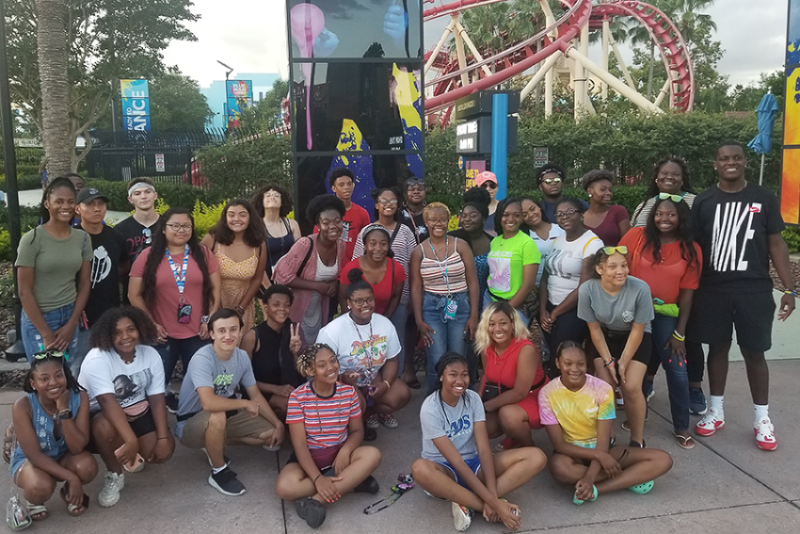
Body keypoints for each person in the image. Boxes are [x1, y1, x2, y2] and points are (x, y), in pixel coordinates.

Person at [687, 140, 796, 451]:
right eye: (724, 158)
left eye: (736, 157)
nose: (730, 162)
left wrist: (788, 288)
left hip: (754, 289)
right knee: (717, 349)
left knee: (754, 353)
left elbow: (777, 244)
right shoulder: (704, 201)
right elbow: (693, 248)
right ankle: (715, 410)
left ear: (745, 161)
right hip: (713, 289)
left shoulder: (763, 198)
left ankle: (762, 418)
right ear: (715, 165)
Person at [411, 353, 547, 532]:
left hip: (475, 465)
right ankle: (484, 505)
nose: (460, 380)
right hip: (445, 470)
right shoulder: (430, 408)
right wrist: (495, 504)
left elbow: (483, 449)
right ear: (441, 376)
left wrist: (491, 495)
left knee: (537, 456)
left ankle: (468, 502)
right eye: (453, 374)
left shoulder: (473, 398)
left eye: (465, 374)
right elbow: (456, 462)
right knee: (420, 469)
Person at [540, 342, 672, 504]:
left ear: (587, 364)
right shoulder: (547, 393)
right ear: (557, 363)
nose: (574, 369)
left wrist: (589, 478)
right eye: (567, 363)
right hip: (572, 453)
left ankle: (596, 490)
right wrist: (600, 457)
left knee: (663, 459)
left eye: (580, 364)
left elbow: (603, 440)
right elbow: (559, 445)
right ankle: (628, 477)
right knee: (559, 468)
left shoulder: (602, 389)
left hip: (604, 449)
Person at [619, 196, 702, 449]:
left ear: (681, 218)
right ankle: (637, 414)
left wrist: (680, 333)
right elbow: (613, 259)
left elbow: (688, 294)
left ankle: (680, 426)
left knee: (677, 370)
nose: (664, 219)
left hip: (667, 315)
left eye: (671, 215)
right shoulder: (637, 236)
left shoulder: (691, 248)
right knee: (638, 365)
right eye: (659, 214)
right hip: (634, 314)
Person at [174, 309, 285, 495]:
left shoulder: (241, 357)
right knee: (216, 415)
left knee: (271, 435)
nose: (228, 335)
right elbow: (208, 403)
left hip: (226, 417)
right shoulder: (202, 358)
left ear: (241, 331)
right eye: (222, 330)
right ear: (212, 334)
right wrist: (244, 404)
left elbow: (255, 394)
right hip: (191, 423)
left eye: (233, 329)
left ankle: (213, 444)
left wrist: (278, 423)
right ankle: (219, 472)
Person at [275, 343, 382, 529]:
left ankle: (314, 501)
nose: (331, 367)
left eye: (333, 361)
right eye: (322, 365)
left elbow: (357, 431)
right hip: (308, 458)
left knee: (373, 454)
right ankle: (352, 483)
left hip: (340, 457)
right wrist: (317, 478)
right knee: (285, 487)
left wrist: (346, 450)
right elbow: (299, 445)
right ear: (310, 370)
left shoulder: (348, 393)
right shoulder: (298, 397)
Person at [77, 307, 174, 507]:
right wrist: (130, 440)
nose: (125, 336)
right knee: (104, 426)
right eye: (117, 332)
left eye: (130, 329)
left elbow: (157, 399)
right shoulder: (98, 358)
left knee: (161, 452)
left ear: (140, 328)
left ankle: (131, 453)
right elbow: (106, 402)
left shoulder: (150, 354)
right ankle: (115, 474)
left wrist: (163, 437)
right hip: (101, 416)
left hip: (135, 410)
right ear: (107, 335)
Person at [128, 207, 221, 413]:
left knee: (200, 385)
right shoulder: (148, 256)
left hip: (198, 330)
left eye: (186, 226)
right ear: (163, 228)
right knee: (154, 386)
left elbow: (215, 291)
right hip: (161, 333)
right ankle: (157, 433)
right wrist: (151, 324)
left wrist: (209, 320)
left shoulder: (203, 254)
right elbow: (134, 294)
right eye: (175, 225)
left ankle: (196, 429)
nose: (181, 230)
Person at [317, 270, 410, 440]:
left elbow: (392, 358)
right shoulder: (332, 331)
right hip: (342, 381)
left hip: (373, 377)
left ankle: (369, 415)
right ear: (349, 303)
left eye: (369, 299)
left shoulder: (384, 324)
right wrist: (342, 379)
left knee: (401, 394)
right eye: (358, 301)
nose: (365, 305)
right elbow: (320, 370)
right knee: (356, 404)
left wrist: (386, 384)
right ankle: (352, 429)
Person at [578, 248, 654, 447]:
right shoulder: (587, 290)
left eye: (624, 265)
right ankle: (607, 436)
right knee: (606, 387)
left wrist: (623, 362)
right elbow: (594, 329)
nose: (621, 271)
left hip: (635, 337)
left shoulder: (640, 289)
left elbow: (638, 330)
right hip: (605, 336)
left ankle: (637, 439)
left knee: (630, 386)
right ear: (600, 269)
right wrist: (609, 361)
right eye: (612, 266)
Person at [10, 351, 98, 519]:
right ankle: (34, 501)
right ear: (33, 383)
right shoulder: (23, 406)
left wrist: (64, 409)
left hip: (64, 454)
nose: (53, 383)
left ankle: (67, 493)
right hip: (32, 461)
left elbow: (78, 446)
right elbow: (34, 455)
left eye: (59, 375)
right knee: (40, 486)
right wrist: (72, 478)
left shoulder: (80, 397)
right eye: (44, 378)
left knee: (87, 467)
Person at [17, 177, 91, 362]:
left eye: (70, 201)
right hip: (40, 319)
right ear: (47, 204)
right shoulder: (32, 239)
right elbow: (24, 292)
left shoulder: (82, 238)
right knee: (46, 379)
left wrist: (71, 324)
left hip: (70, 315)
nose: (65, 206)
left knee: (68, 377)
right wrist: (46, 334)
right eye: (59, 201)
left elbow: (84, 284)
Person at [410, 202, 480, 393]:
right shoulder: (419, 252)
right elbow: (416, 287)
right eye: (433, 219)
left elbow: (473, 282)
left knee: (458, 356)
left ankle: (460, 399)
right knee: (437, 358)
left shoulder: (461, 246)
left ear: (449, 221)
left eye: (442, 219)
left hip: (460, 304)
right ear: (426, 222)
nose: (438, 223)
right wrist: (419, 320)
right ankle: (435, 403)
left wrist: (473, 316)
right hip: (431, 307)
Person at [353, 187, 417, 386]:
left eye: (392, 201)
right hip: (368, 300)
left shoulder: (405, 231)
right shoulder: (366, 230)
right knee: (369, 341)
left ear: (398, 205)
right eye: (384, 200)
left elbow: (413, 265)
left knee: (394, 338)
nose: (388, 205)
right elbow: (356, 263)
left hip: (399, 297)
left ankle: (392, 382)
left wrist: (414, 298)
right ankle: (370, 381)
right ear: (376, 204)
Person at [273, 195, 347, 344]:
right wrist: (316, 286)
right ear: (318, 225)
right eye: (326, 222)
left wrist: (334, 283)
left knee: (316, 346)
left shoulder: (341, 245)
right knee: (296, 347)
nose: (333, 226)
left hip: (320, 307)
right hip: (297, 307)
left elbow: (333, 275)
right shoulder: (305, 245)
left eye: (337, 221)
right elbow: (281, 276)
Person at [475, 301, 548, 452]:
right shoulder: (486, 347)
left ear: (513, 324)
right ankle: (515, 437)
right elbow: (486, 378)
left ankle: (530, 449)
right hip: (504, 393)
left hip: (532, 395)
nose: (497, 329)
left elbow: (520, 392)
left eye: (503, 323)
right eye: (492, 324)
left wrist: (486, 406)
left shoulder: (525, 349)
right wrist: (476, 404)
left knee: (508, 416)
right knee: (484, 427)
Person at [539, 198, 603, 366]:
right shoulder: (557, 241)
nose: (564, 217)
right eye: (559, 214)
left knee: (561, 356)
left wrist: (555, 313)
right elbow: (545, 277)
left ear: (582, 216)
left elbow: (584, 286)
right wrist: (543, 309)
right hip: (551, 307)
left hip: (574, 309)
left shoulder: (592, 243)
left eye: (569, 213)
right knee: (554, 355)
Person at [74, 187, 128, 374]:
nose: (97, 208)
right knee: (78, 366)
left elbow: (122, 267)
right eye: (90, 204)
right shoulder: (71, 238)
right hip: (81, 317)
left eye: (100, 204)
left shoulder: (115, 237)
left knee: (109, 365)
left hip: (109, 314)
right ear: (77, 208)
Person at [201, 199, 267, 332]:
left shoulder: (259, 244)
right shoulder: (212, 239)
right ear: (225, 217)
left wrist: (241, 309)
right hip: (213, 305)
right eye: (231, 215)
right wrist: (215, 306)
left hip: (244, 306)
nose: (236, 219)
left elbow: (257, 279)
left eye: (242, 215)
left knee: (241, 348)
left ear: (250, 218)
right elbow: (199, 272)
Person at [241, 284, 306, 419]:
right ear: (266, 307)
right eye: (276, 304)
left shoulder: (293, 331)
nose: (282, 309)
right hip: (261, 391)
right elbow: (243, 379)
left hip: (288, 389)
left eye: (286, 305)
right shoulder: (252, 337)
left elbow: (303, 372)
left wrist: (294, 352)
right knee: (291, 404)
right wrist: (275, 389)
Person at [450, 187, 493, 384]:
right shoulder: (452, 240)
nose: (466, 219)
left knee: (477, 341)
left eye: (472, 215)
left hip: (483, 298)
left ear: (483, 218)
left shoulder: (494, 242)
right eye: (463, 215)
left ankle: (473, 378)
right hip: (455, 299)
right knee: (456, 341)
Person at [486, 198, 541, 326]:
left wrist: (506, 311)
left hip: (515, 305)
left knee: (512, 344)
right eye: (505, 215)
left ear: (521, 218)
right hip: (490, 300)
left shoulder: (527, 243)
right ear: (499, 216)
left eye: (516, 215)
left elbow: (528, 285)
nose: (511, 219)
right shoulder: (495, 241)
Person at [340, 224, 406, 317]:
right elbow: (343, 297)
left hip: (383, 318)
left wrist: (384, 319)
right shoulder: (351, 268)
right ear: (365, 245)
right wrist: (352, 320)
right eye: (372, 243)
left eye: (383, 244)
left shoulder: (397, 269)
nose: (378, 248)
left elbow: (396, 297)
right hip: (356, 320)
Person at [115, 178, 161, 304]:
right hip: (132, 295)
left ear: (155, 195)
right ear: (130, 199)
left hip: (165, 292)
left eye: (147, 192)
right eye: (137, 193)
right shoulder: (120, 230)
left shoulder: (168, 225)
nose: (143, 196)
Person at [252, 183, 301, 283]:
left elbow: (300, 254)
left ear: (283, 201)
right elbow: (254, 263)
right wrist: (269, 290)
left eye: (276, 195)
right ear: (261, 201)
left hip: (291, 280)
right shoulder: (255, 227)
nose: (272, 197)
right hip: (263, 281)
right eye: (268, 195)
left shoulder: (292, 224)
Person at [630, 157, 697, 228]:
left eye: (676, 174)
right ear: (656, 178)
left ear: (682, 180)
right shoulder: (643, 207)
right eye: (664, 173)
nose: (669, 177)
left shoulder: (696, 202)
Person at [324, 167, 371, 261]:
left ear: (353, 185)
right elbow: (318, 243)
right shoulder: (324, 214)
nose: (346, 187)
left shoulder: (362, 213)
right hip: (330, 270)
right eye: (341, 184)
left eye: (349, 184)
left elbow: (368, 243)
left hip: (355, 268)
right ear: (334, 188)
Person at [521, 197, 564, 288]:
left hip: (560, 287)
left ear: (539, 207)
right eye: (524, 214)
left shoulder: (560, 230)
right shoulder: (523, 237)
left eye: (532, 209)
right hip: (533, 288)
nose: (531, 215)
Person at [581, 170, 630, 247]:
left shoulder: (618, 212)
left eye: (610, 190)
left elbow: (628, 244)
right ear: (590, 191)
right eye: (603, 189)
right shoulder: (580, 219)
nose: (608, 193)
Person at [400, 174, 429, 244]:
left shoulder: (432, 213)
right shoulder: (397, 215)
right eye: (412, 189)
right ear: (405, 194)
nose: (416, 192)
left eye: (420, 189)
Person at [474, 171, 499, 236]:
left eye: (492, 186)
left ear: (497, 188)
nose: (488, 189)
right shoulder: (471, 209)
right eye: (484, 186)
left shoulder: (504, 207)